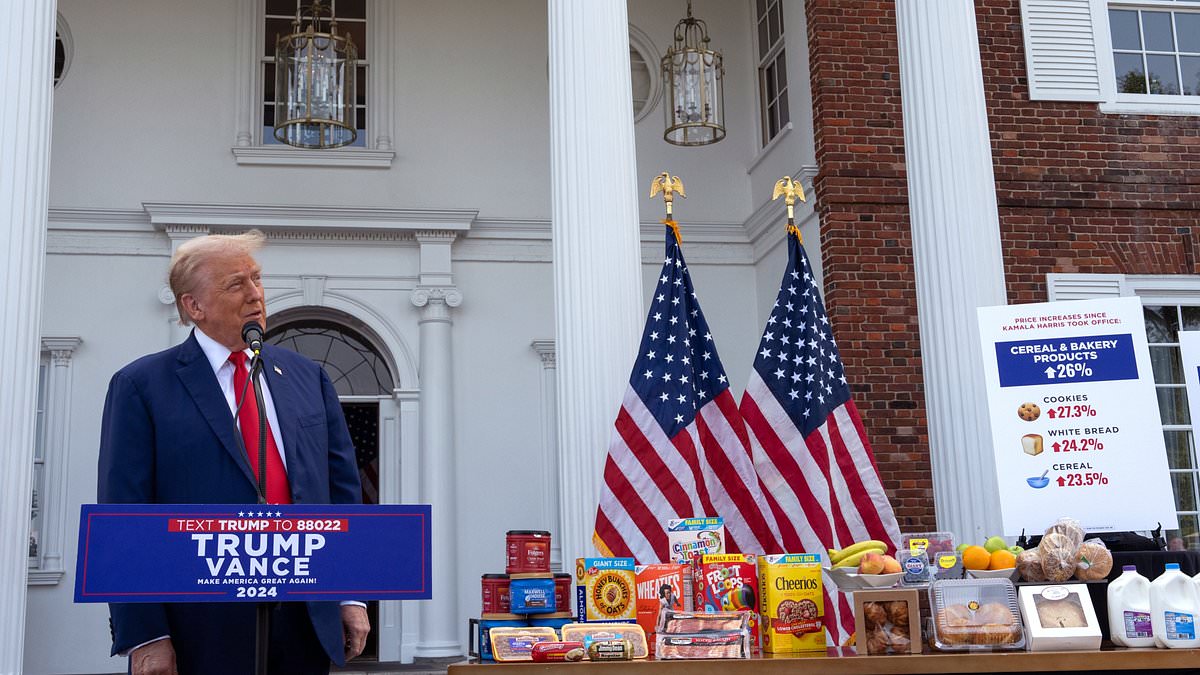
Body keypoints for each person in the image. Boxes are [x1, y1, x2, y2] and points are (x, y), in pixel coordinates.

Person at [97, 230, 369, 675]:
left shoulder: (306, 377)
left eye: (257, 279)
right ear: (193, 306)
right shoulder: (142, 386)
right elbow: (123, 515)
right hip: (197, 625)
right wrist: (145, 633)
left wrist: (350, 593)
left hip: (303, 616)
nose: (255, 294)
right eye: (235, 284)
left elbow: (342, 494)